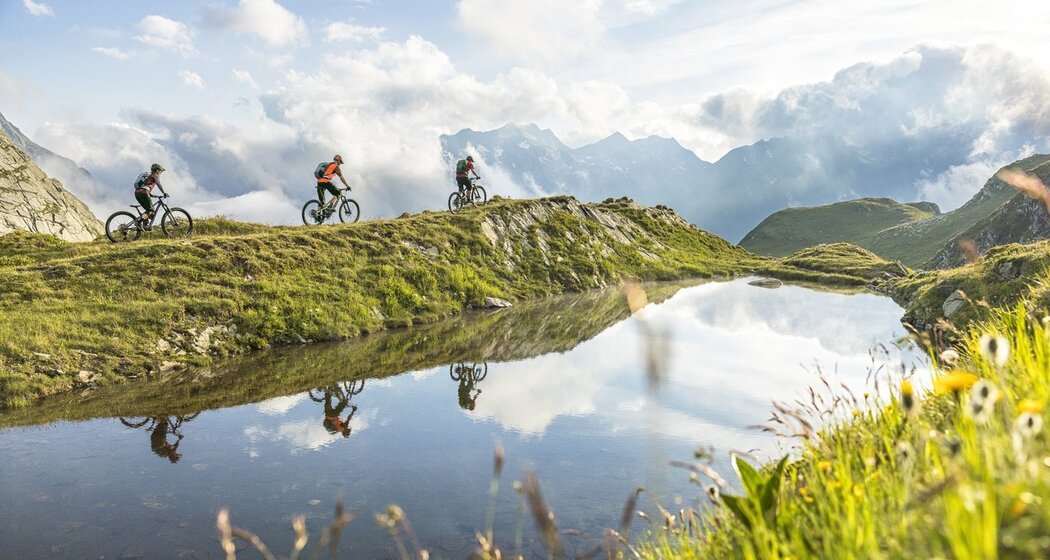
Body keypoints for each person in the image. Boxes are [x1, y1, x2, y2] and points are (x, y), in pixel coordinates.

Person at [134, 163, 169, 229]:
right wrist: (164, 193)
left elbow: (145, 186)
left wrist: (150, 194)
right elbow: (158, 183)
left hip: (137, 193)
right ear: (157, 170)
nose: (161, 173)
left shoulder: (149, 176)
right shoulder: (155, 175)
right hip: (144, 193)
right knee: (151, 210)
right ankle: (138, 222)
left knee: (149, 211)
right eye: (160, 171)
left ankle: (146, 226)